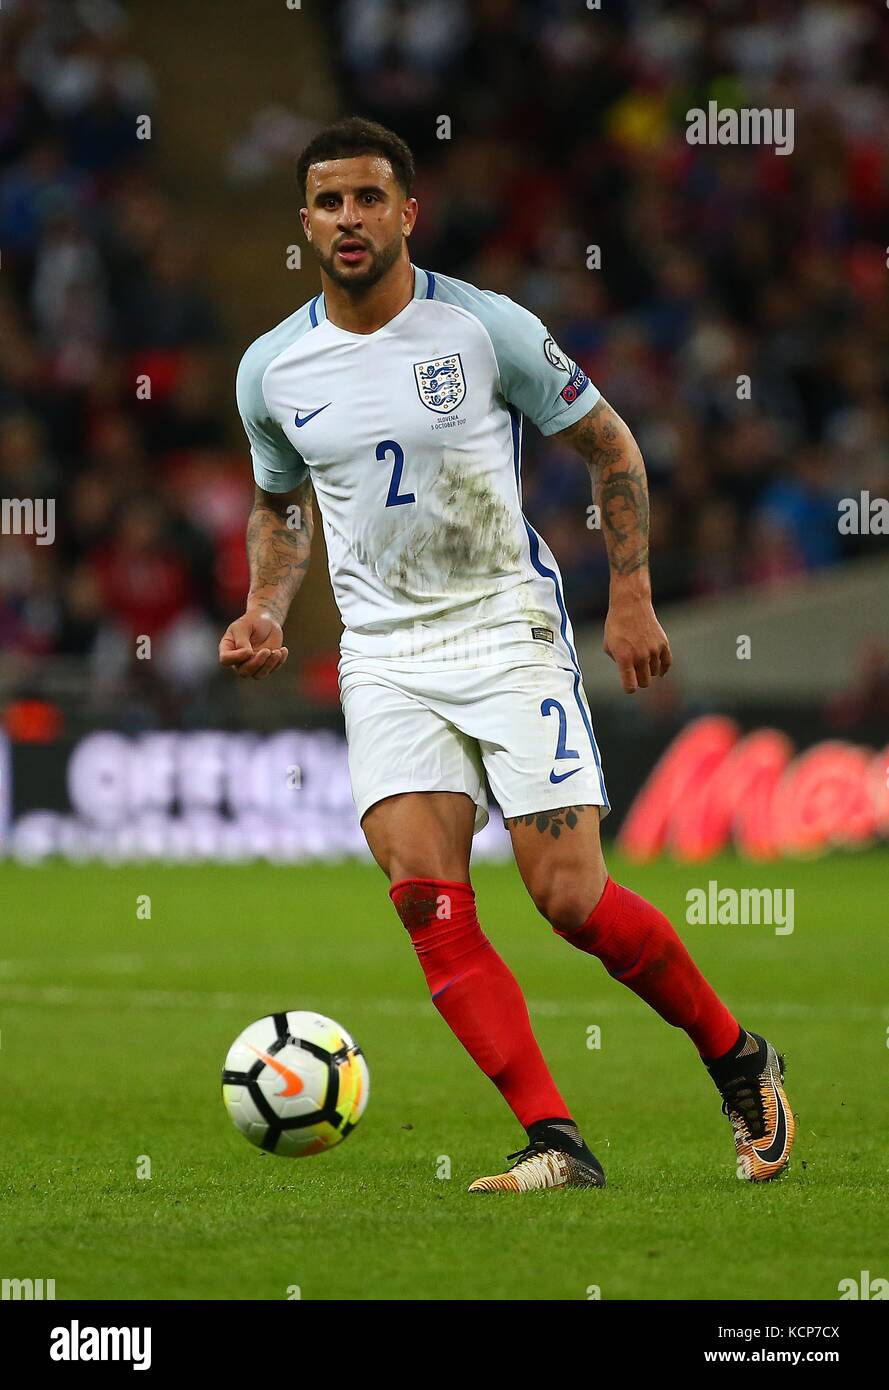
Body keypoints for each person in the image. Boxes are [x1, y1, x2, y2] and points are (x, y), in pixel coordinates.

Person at [220, 118, 794, 1193]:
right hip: (384, 653)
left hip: (504, 631)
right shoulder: (272, 369)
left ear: (407, 211)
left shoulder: (486, 330)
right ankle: (555, 1140)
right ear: (304, 221)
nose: (350, 218)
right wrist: (264, 606)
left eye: (369, 198)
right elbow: (278, 504)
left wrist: (629, 595)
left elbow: (609, 441)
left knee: (570, 898)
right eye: (329, 202)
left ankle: (738, 1058)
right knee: (425, 899)